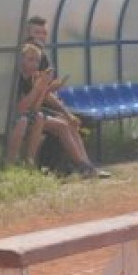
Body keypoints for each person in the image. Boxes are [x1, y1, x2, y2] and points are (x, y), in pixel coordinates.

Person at [15, 43, 110, 178]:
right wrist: (41, 88)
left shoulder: (33, 78)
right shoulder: (17, 78)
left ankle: (86, 165)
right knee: (56, 123)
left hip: (33, 115)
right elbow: (24, 108)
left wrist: (44, 88)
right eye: (30, 59)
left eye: (37, 60)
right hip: (22, 117)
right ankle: (81, 166)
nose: (35, 64)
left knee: (68, 123)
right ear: (21, 60)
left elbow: (35, 106)